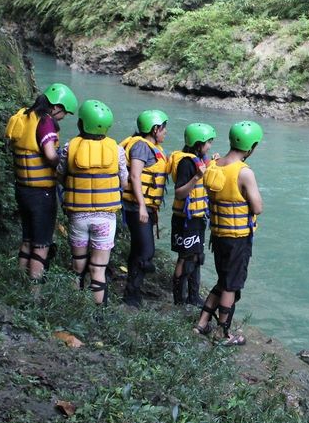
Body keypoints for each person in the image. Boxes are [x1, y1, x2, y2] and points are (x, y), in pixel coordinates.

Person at [194, 121, 264, 345]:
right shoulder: (244, 173)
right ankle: (223, 334)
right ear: (251, 146)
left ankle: (202, 324)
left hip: (218, 235)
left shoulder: (214, 165)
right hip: (237, 238)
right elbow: (257, 208)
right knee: (231, 285)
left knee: (224, 280)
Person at [4, 82, 77, 283]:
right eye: (65, 113)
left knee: (27, 239)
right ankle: (34, 292)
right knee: (42, 243)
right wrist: (62, 160)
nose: (63, 117)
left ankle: (18, 282)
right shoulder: (46, 122)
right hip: (41, 193)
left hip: (23, 189)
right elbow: (50, 154)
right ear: (56, 107)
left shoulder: (25, 116)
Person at [58, 100, 128, 305]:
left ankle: (75, 305)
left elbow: (60, 176)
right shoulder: (117, 150)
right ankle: (98, 313)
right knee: (98, 268)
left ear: (81, 124)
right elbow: (124, 181)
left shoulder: (70, 147)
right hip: (105, 218)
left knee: (77, 265)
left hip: (78, 215)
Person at [119, 110, 169, 308]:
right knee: (146, 251)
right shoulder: (141, 147)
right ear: (155, 129)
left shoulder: (150, 146)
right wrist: (141, 206)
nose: (165, 133)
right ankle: (132, 292)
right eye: (164, 129)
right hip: (135, 206)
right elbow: (135, 176)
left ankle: (133, 293)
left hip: (143, 207)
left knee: (139, 249)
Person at [169, 122, 216, 306]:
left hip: (196, 218)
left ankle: (193, 296)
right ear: (198, 143)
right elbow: (180, 192)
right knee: (185, 257)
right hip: (185, 220)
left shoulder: (198, 160)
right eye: (208, 142)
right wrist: (196, 176)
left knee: (196, 256)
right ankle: (178, 299)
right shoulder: (186, 163)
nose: (210, 146)